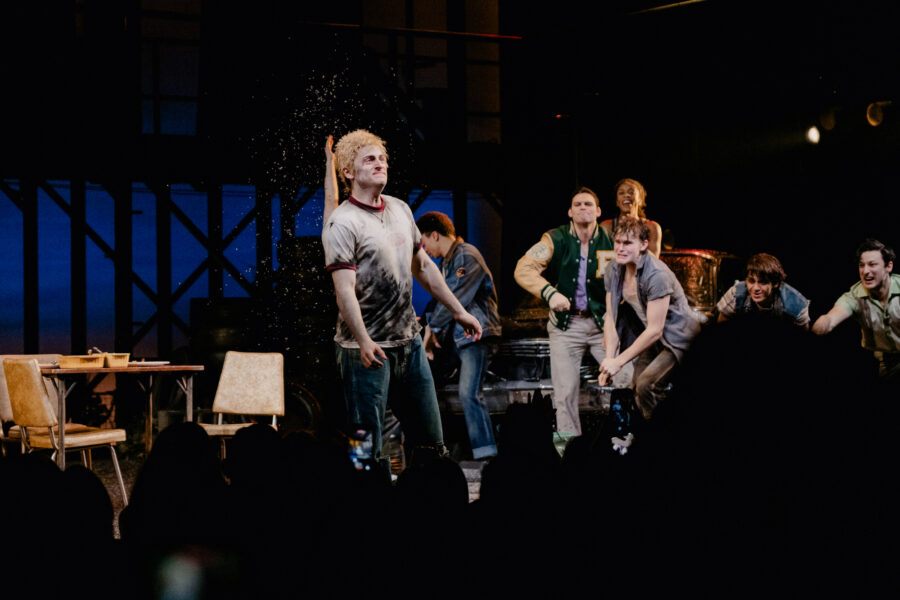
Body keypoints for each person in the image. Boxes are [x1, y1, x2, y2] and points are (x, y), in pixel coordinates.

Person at [321, 129, 482, 477]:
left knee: (431, 444)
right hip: (363, 351)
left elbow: (423, 266)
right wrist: (363, 340)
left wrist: (458, 311)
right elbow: (344, 291)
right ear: (348, 171)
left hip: (409, 345)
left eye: (382, 158)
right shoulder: (342, 222)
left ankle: (428, 503)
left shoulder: (400, 209)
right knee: (365, 448)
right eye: (369, 159)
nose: (379, 163)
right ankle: (366, 501)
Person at [514, 187, 632, 448]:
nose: (583, 208)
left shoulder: (613, 239)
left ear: (598, 211)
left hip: (603, 325)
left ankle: (625, 442)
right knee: (565, 392)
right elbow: (523, 268)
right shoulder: (555, 238)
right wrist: (549, 293)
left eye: (588, 204)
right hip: (566, 326)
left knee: (627, 378)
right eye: (577, 204)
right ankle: (568, 453)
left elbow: (634, 272)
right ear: (569, 212)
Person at [599, 215, 700, 448]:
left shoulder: (657, 275)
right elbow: (611, 316)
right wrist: (609, 360)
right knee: (636, 389)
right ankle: (647, 441)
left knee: (647, 385)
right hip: (652, 337)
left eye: (628, 243)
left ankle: (666, 441)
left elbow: (656, 329)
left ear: (644, 245)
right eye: (618, 242)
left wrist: (619, 362)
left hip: (679, 339)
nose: (620, 248)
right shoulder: (614, 269)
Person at [416, 211, 502, 460]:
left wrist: (431, 331)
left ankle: (486, 455)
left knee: (469, 393)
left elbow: (454, 299)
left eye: (424, 242)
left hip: (476, 335)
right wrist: (428, 328)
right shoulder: (447, 262)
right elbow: (438, 300)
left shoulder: (466, 255)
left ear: (435, 235)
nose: (424, 249)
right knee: (429, 386)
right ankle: (438, 450)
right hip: (458, 337)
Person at [812, 238, 900, 381]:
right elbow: (832, 317)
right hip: (886, 363)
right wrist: (822, 324)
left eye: (872, 264)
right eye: (861, 265)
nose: (865, 271)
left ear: (888, 267)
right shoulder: (854, 296)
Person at [716, 252, 810, 328]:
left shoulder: (795, 301)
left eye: (763, 282)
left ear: (775, 283)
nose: (756, 288)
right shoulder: (736, 293)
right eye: (751, 281)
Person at [599, 178, 663, 257]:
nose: (626, 195)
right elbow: (601, 257)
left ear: (640, 200)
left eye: (631, 192)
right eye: (621, 193)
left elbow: (653, 261)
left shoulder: (652, 227)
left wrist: (634, 234)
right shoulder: (606, 227)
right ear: (617, 202)